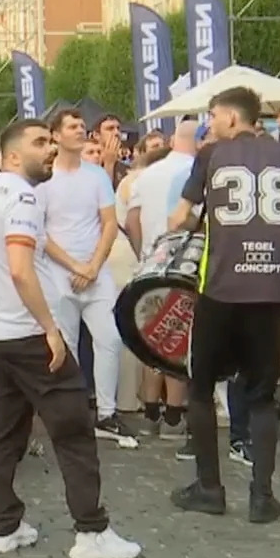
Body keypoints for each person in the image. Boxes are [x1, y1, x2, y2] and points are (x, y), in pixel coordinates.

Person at [0, 118, 140, 558]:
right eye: (39, 142)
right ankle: (91, 532)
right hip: (24, 331)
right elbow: (22, 269)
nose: (49, 149)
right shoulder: (22, 196)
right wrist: (49, 327)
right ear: (9, 156)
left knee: (4, 427)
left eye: (49, 140)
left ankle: (4, 525)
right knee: (73, 428)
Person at [166, 86, 280, 522]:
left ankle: (210, 487)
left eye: (212, 116)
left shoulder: (211, 155)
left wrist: (205, 223)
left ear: (228, 116)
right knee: (262, 396)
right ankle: (262, 496)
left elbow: (179, 218)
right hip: (269, 290)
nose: (209, 124)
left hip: (221, 287)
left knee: (202, 387)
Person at [38, 107, 130, 440]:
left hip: (96, 271)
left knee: (110, 339)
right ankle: (72, 413)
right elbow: (41, 233)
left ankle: (107, 412)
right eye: (72, 127)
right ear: (56, 135)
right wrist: (75, 266)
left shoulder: (97, 176)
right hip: (59, 273)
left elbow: (109, 224)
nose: (80, 131)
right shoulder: (44, 181)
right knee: (66, 345)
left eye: (82, 126)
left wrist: (92, 266)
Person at [122, 119, 200, 442]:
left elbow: (132, 219)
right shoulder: (199, 170)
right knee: (180, 340)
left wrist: (144, 254)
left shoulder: (146, 175)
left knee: (151, 339)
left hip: (152, 262)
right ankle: (173, 416)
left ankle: (152, 412)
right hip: (186, 263)